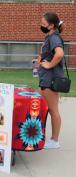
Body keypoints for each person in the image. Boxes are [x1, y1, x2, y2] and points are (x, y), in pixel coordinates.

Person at [37, 12, 65, 149]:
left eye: (43, 24)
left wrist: (48, 65)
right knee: (45, 109)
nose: (41, 26)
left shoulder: (54, 37)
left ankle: (54, 141)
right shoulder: (49, 37)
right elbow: (49, 55)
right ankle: (48, 138)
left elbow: (59, 54)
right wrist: (42, 61)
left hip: (51, 81)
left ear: (52, 25)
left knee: (53, 110)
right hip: (46, 80)